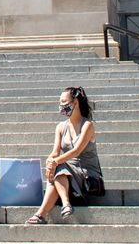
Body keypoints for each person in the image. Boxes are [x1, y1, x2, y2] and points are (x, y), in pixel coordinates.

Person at [26, 86, 102, 224]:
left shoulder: (87, 125)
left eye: (64, 102)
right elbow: (55, 152)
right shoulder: (61, 127)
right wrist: (50, 162)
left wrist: (55, 163)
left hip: (87, 174)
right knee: (57, 167)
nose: (61, 106)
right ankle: (58, 208)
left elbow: (77, 151)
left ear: (75, 103)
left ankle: (48, 211)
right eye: (60, 102)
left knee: (59, 166)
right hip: (68, 172)